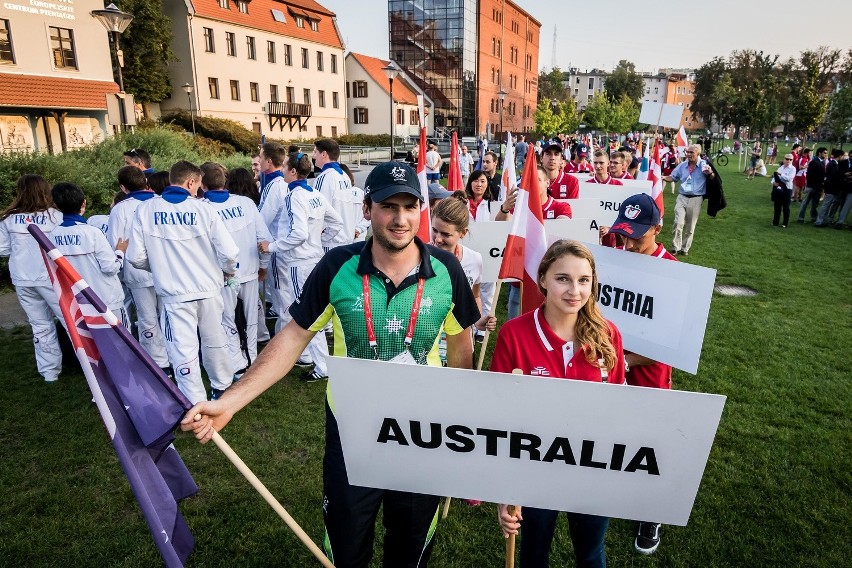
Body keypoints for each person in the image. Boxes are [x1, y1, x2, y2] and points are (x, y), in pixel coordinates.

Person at [182, 161, 480, 568]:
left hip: (421, 436)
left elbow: (461, 347)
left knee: (409, 554)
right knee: (346, 549)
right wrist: (230, 402)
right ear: (366, 209)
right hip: (352, 433)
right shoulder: (336, 266)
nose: (400, 218)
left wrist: (460, 428)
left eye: (410, 206)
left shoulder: (446, 270)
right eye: (388, 206)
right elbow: (291, 339)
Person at [493, 240, 625, 568]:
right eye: (563, 278)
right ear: (543, 279)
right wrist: (504, 489)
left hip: (592, 469)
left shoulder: (608, 335)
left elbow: (623, 408)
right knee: (533, 554)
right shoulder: (514, 334)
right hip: (535, 468)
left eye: (583, 280)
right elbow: (497, 416)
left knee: (591, 554)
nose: (574, 291)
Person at [127, 161, 240, 403]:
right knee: (215, 341)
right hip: (208, 289)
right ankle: (222, 388)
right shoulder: (204, 210)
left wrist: (159, 267)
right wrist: (227, 272)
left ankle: (195, 401)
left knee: (183, 349)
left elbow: (135, 257)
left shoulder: (146, 210)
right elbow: (230, 252)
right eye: (198, 185)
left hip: (174, 293)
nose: (200, 190)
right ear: (191, 182)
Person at [601, 193, 676, 555]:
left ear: (657, 229)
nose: (628, 243)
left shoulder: (673, 272)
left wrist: (625, 361)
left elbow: (670, 345)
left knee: (649, 441)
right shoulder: (616, 258)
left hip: (647, 372)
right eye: (623, 234)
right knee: (614, 429)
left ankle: (651, 512)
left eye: (637, 236)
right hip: (613, 363)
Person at [259, 152, 344, 382]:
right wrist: (321, 239)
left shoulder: (294, 196)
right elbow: (336, 222)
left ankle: (321, 364)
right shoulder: (314, 192)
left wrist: (272, 246)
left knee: (308, 315)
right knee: (314, 311)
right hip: (314, 258)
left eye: (285, 167)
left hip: (299, 262)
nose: (283, 170)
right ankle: (313, 358)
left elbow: (298, 233)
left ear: (293, 171)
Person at [200, 162, 271, 381]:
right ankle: (251, 359)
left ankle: (238, 363)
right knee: (250, 318)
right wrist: (263, 266)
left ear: (202, 183)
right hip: (248, 271)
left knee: (226, 319)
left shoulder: (202, 208)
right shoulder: (246, 203)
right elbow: (264, 238)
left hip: (222, 275)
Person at [107, 166, 171, 372]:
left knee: (147, 318)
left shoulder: (120, 209)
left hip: (137, 271)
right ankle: (174, 358)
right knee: (168, 314)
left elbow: (115, 243)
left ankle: (159, 363)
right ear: (145, 181)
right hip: (164, 267)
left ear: (123, 188)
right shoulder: (161, 202)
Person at [0, 175, 63, 382]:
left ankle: (49, 372)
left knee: (39, 324)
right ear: (46, 190)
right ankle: (89, 365)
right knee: (69, 321)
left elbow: (2, 250)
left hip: (23, 278)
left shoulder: (8, 218)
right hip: (50, 278)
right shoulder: (55, 216)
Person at [430, 191, 497, 364]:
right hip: (429, 342)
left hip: (462, 340)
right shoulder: (418, 256)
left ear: (463, 233)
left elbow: (474, 295)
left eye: (446, 234)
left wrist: (477, 320)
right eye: (434, 230)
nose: (438, 239)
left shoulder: (474, 260)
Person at [50, 182, 129, 326]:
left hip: (79, 302)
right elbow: (110, 267)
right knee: (122, 344)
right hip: (107, 300)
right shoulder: (92, 232)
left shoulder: (52, 235)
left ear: (55, 205)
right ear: (83, 203)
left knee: (93, 346)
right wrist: (120, 252)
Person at [664, 144, 715, 256]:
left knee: (690, 226)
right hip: (682, 197)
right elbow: (673, 177)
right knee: (678, 223)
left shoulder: (703, 165)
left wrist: (710, 173)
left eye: (691, 152)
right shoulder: (682, 166)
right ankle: (675, 247)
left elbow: (712, 177)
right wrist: (662, 177)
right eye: (687, 152)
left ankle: (685, 248)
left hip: (696, 199)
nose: (688, 154)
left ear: (698, 153)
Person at [313, 138, 356, 249]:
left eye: (315, 152)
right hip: (347, 239)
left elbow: (318, 211)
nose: (313, 156)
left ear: (324, 154)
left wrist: (317, 238)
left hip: (331, 242)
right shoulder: (344, 175)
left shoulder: (324, 177)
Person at [814, 149, 847, 227]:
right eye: (843, 156)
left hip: (831, 188)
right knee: (826, 205)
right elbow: (833, 177)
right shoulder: (834, 164)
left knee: (827, 205)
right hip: (831, 188)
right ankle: (819, 221)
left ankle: (823, 220)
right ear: (840, 156)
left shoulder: (834, 163)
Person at [798, 147, 827, 223]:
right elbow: (810, 175)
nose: (826, 154)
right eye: (824, 153)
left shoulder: (822, 162)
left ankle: (813, 217)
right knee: (805, 202)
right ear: (819, 153)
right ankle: (801, 218)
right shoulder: (814, 162)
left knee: (815, 204)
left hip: (818, 187)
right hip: (812, 186)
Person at [772, 155, 796, 228]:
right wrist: (773, 182)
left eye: (790, 159)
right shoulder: (780, 168)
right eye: (787, 159)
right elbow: (774, 177)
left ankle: (785, 223)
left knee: (786, 207)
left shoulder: (793, 168)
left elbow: (789, 178)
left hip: (787, 189)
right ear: (784, 159)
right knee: (777, 206)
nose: (789, 161)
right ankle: (775, 222)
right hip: (778, 188)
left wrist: (780, 175)